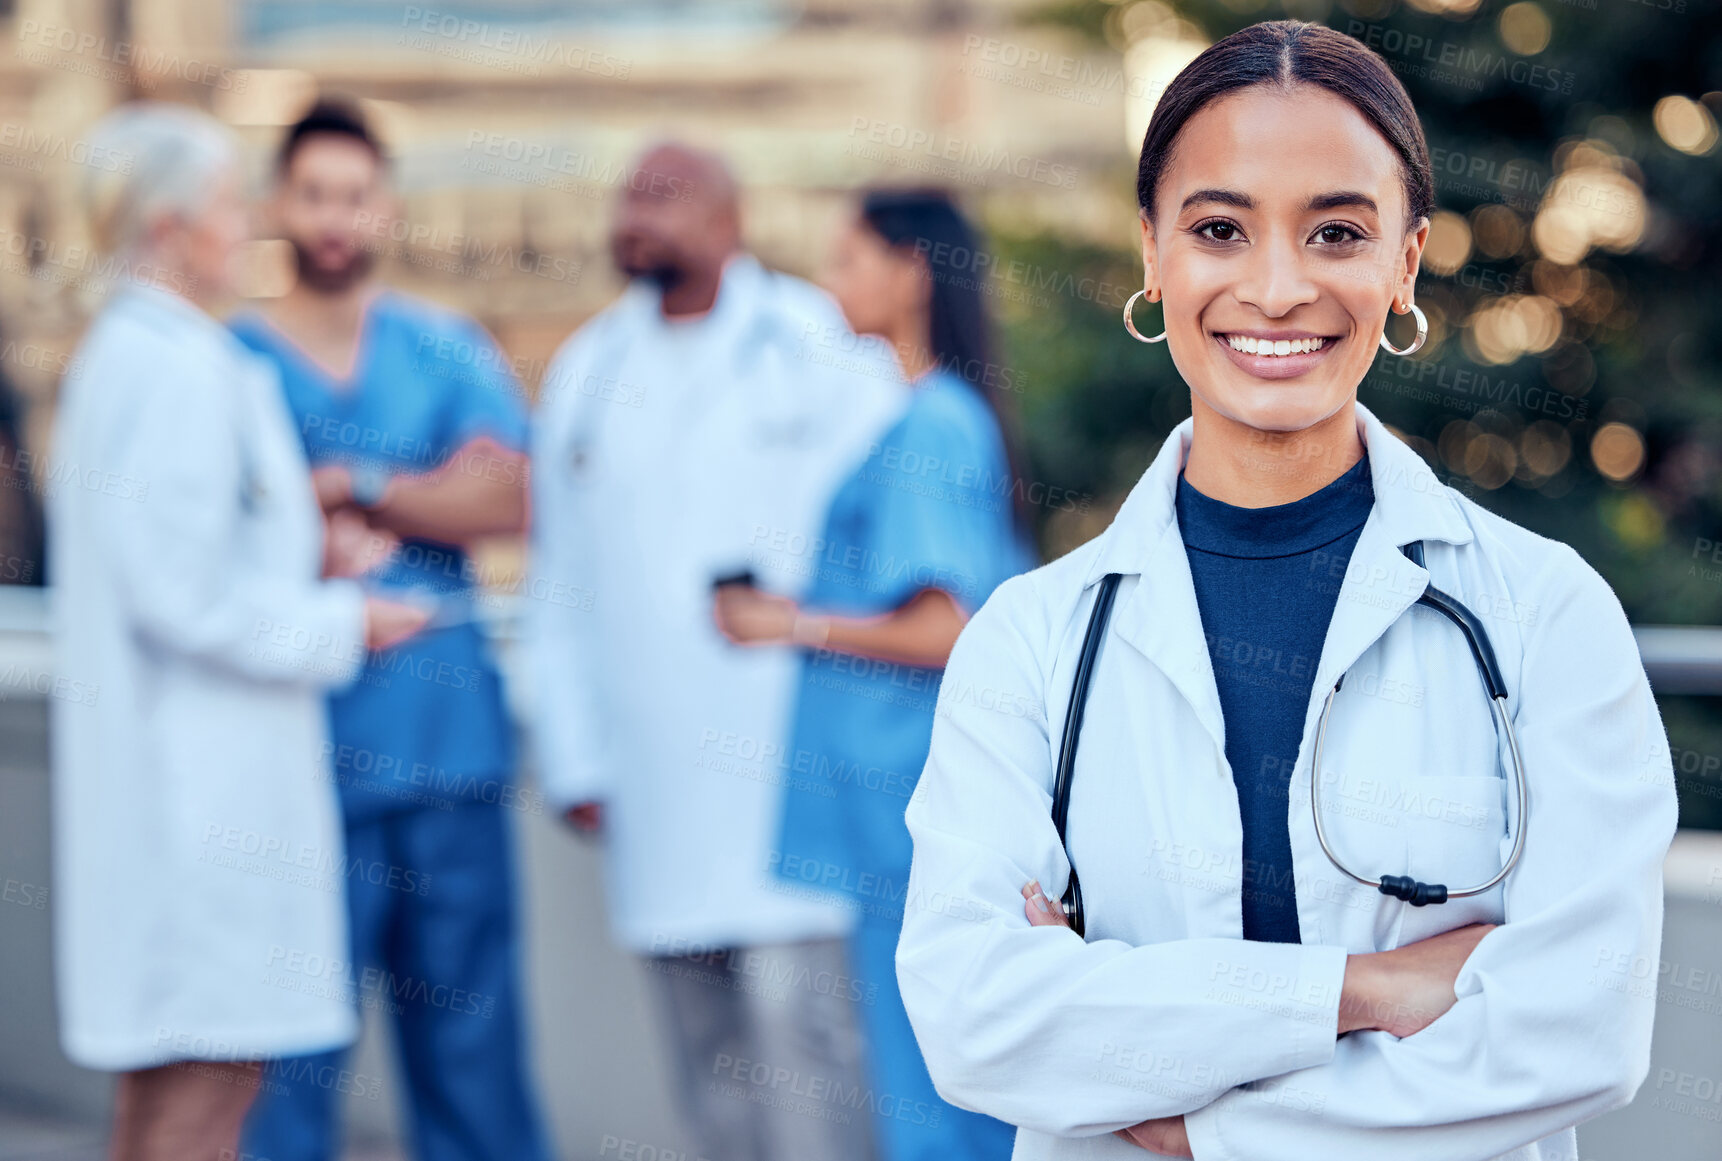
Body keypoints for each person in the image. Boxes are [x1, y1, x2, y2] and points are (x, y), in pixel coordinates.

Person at [896, 21, 1676, 1161]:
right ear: (1153, 256)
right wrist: (1367, 989)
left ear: (1406, 264)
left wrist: (1204, 1125)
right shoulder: (1031, 643)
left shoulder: (1544, 613)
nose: (1275, 288)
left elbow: (1581, 1030)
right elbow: (978, 1021)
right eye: (1219, 229)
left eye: (1338, 232)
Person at [49, 102, 427, 1161]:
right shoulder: (171, 372)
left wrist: (301, 559)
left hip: (183, 797)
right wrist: (346, 618)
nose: (250, 219)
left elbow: (179, 560)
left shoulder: (138, 359)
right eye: (227, 202)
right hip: (203, 811)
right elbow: (183, 599)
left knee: (170, 1088)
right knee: (211, 1090)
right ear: (170, 227)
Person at [526, 142, 905, 1161]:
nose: (636, 215)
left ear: (730, 220)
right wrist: (575, 758)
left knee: (805, 1040)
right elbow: (557, 584)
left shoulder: (812, 343)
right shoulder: (587, 371)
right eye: (628, 196)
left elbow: (893, 522)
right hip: (650, 779)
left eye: (664, 195)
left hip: (789, 770)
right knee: (708, 1059)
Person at [231, 100, 551, 1161]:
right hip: (298, 768)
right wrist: (415, 493)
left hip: (446, 756)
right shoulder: (232, 361)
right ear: (281, 204)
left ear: (387, 210)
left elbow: (510, 500)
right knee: (287, 1066)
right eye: (313, 194)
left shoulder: (443, 346)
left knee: (473, 1055)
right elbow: (212, 536)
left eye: (354, 196)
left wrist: (350, 485)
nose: (334, 218)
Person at [713, 189, 1032, 1161]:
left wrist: (788, 622)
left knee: (927, 1091)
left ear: (908, 273)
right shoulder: (933, 414)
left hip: (908, 802)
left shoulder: (932, 424)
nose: (827, 282)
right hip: (892, 802)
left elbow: (948, 626)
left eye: (847, 259)